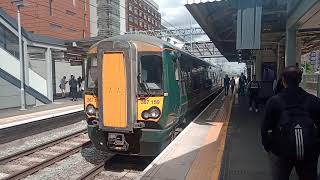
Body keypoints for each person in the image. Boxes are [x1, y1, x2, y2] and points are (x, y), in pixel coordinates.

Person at [261, 66, 320, 180]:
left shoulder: (274, 101)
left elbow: (265, 127)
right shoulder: (313, 100)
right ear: (300, 80)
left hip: (280, 151)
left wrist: (268, 147)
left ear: (283, 80)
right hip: (309, 152)